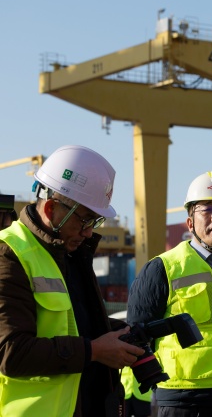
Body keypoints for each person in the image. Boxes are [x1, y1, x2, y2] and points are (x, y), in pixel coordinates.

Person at [0, 145, 144, 416]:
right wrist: (95, 351)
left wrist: (120, 333)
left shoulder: (72, 253)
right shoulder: (9, 254)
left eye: (96, 221)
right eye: (85, 220)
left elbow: (72, 325)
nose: (89, 233)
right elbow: (11, 352)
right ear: (53, 207)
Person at [127, 171, 212, 417]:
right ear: (190, 223)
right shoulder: (162, 268)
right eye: (206, 210)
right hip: (186, 402)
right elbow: (135, 334)